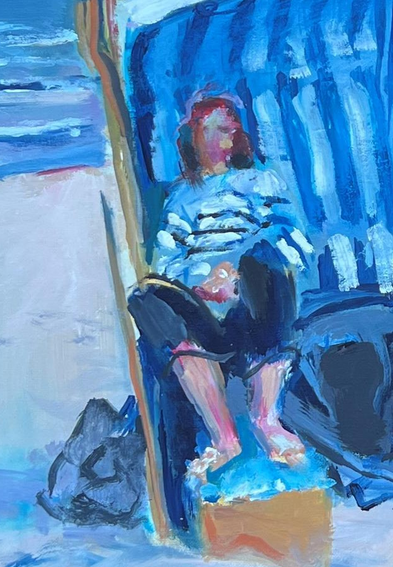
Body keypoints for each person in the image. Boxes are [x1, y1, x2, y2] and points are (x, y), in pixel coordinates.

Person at [128, 96, 312, 478]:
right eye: (207, 130)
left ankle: (266, 420)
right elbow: (167, 260)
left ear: (236, 138)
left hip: (252, 303)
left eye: (225, 130)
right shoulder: (181, 196)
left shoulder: (261, 181)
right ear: (192, 138)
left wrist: (235, 274)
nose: (217, 138)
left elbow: (291, 239)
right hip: (202, 310)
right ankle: (224, 437)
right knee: (145, 298)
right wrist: (200, 286)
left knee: (265, 267)